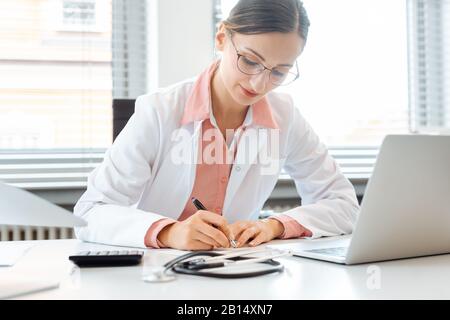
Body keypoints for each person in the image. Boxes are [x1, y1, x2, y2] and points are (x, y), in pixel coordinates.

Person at [74, 0, 359, 251]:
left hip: (238, 271)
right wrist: (170, 231)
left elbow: (344, 205)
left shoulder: (285, 116)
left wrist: (274, 226)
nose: (259, 83)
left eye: (279, 71)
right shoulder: (159, 111)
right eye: (249, 61)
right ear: (221, 38)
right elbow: (91, 213)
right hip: (158, 275)